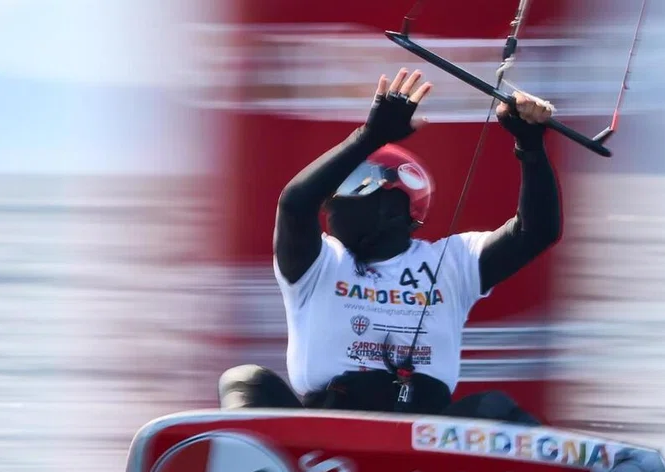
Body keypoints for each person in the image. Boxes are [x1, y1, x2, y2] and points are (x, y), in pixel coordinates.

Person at [219, 68, 561, 424]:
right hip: (321, 432)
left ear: (396, 204)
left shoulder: (453, 262)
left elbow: (536, 231)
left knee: (495, 408)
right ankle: (258, 471)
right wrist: (369, 137)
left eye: (353, 188)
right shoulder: (317, 262)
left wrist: (531, 146)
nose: (335, 202)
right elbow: (294, 204)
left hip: (428, 437)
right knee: (243, 380)